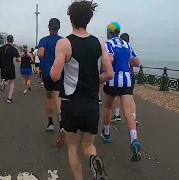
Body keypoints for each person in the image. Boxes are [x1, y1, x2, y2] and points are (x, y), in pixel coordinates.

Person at [50, 1, 113, 180]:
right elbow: (109, 74)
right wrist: (94, 79)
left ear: (71, 18)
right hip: (92, 102)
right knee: (88, 146)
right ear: (89, 19)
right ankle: (94, 159)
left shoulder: (65, 43)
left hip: (71, 102)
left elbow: (54, 75)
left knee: (72, 147)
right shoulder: (100, 43)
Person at [101, 21, 142, 162]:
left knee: (107, 107)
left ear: (109, 32)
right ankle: (134, 140)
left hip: (112, 80)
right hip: (127, 80)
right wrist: (125, 62)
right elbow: (137, 62)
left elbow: (110, 58)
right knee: (128, 111)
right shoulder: (127, 45)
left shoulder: (109, 44)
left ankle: (107, 134)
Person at [37, 18, 65, 146]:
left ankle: (50, 123)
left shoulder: (43, 40)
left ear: (49, 27)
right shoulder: (63, 41)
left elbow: (41, 54)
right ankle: (62, 125)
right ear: (58, 28)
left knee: (48, 97)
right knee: (59, 99)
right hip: (60, 73)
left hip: (47, 74)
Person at [111, 33, 138, 125]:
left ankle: (117, 114)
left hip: (120, 77)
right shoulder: (129, 48)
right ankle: (133, 117)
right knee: (131, 98)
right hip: (130, 76)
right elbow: (137, 62)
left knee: (117, 96)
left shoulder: (119, 49)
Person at [0, 35, 21, 103]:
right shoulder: (13, 49)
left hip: (2, 66)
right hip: (10, 66)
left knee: (5, 76)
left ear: (7, 40)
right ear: (13, 40)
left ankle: (4, 80)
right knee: (12, 82)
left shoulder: (2, 47)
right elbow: (18, 59)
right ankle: (9, 98)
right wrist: (18, 60)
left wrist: (1, 58)